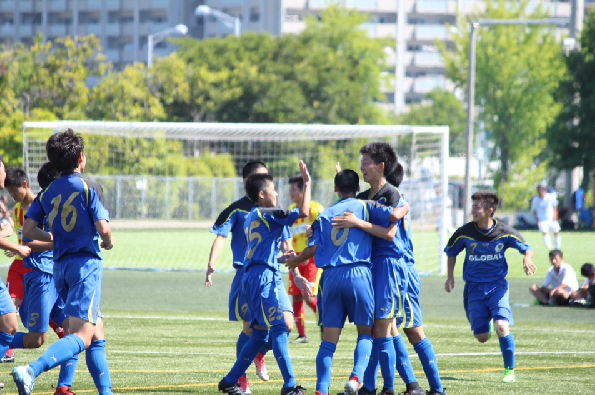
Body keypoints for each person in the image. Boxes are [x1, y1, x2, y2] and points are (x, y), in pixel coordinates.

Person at [13, 129, 114, 395]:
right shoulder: (89, 187)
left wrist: (54, 236)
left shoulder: (48, 192)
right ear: (81, 157)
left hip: (60, 268)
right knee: (81, 336)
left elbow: (29, 230)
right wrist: (108, 241)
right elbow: (103, 227)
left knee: (96, 333)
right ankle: (31, 370)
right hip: (85, 266)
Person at [287, 169, 405, 395]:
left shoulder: (324, 214)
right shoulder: (366, 206)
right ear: (358, 189)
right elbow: (394, 215)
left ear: (335, 189)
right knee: (366, 333)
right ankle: (355, 377)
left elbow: (312, 248)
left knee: (328, 343)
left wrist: (295, 261)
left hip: (330, 277)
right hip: (358, 273)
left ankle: (321, 391)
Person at [335, 156, 445, 395]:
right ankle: (394, 386)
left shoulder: (394, 198)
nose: (362, 166)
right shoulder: (369, 199)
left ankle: (434, 388)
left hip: (396, 268)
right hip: (377, 267)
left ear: (381, 167)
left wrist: (358, 222)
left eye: (366, 162)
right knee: (383, 327)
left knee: (408, 330)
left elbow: (390, 232)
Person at [217, 161, 311, 395]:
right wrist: (307, 183)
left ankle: (230, 380)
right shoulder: (271, 213)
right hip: (263, 278)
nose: (278, 193)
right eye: (273, 190)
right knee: (280, 327)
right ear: (262, 194)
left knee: (260, 333)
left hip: (255, 274)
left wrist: (285, 263)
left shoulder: (253, 216)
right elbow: (304, 212)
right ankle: (290, 386)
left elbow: (262, 251)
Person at [444, 191, 536, 384]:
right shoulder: (465, 232)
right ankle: (487, 321)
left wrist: (527, 258)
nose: (473, 211)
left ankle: (509, 370)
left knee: (502, 327)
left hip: (497, 287)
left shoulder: (504, 231)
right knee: (482, 337)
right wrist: (450, 276)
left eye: (477, 207)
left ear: (489, 210)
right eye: (473, 207)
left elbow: (526, 247)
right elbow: (451, 251)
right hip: (474, 289)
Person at [5, 163, 78, 395]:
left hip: (55, 276)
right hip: (41, 276)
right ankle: (2, 341)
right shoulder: (38, 207)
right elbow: (27, 243)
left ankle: (63, 388)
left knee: (73, 333)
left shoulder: (54, 204)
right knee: (36, 339)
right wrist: (59, 242)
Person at [0, 156, 32, 390]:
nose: (5, 174)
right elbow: (9, 232)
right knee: (11, 317)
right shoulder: (19, 208)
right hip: (21, 264)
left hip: (34, 266)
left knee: (13, 322)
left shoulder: (36, 205)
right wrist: (17, 247)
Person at [287, 174, 324, 344]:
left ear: (303, 190)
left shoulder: (316, 209)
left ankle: (325, 321)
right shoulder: (291, 211)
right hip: (295, 261)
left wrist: (307, 254)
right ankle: (302, 335)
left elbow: (324, 233)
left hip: (312, 260)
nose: (290, 193)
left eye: (293, 189)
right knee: (296, 296)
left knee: (309, 296)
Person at [531, 185, 561, 250]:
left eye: (543, 190)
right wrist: (537, 220)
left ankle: (557, 248)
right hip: (542, 220)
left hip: (551, 219)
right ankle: (550, 248)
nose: (542, 192)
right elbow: (534, 211)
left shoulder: (551, 197)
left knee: (556, 232)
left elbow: (555, 206)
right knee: (545, 232)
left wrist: (555, 215)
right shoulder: (535, 200)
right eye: (540, 190)